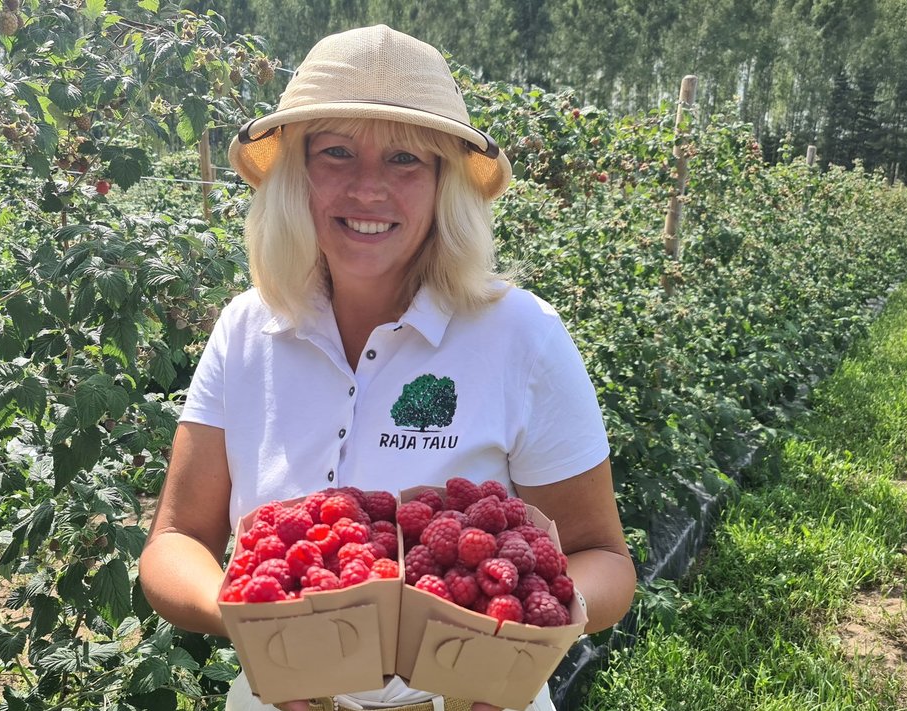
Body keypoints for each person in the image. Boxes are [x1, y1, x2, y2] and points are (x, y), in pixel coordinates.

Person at [139, 24, 636, 711]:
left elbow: (604, 558)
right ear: (297, 175)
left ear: (443, 184)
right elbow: (176, 541)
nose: (367, 188)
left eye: (405, 158)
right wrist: (256, 619)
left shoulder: (522, 336)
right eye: (335, 152)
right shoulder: (246, 330)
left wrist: (523, 625)